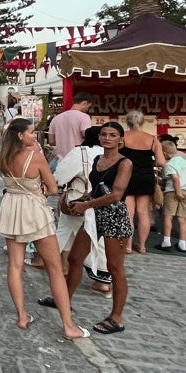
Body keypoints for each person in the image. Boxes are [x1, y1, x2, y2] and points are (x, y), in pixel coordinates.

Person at [0, 119, 90, 340]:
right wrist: (43, 188)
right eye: (30, 132)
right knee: (55, 268)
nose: (34, 135)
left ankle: (21, 315)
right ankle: (68, 325)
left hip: (11, 207)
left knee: (15, 265)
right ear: (20, 135)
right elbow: (53, 188)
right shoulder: (35, 157)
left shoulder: (4, 157)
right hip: (34, 210)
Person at [45, 121, 135, 335]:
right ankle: (64, 299)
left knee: (115, 268)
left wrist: (86, 204)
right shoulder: (98, 159)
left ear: (121, 140)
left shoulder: (125, 163)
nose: (107, 138)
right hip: (94, 216)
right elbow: (96, 190)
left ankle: (117, 317)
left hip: (113, 217)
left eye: (113, 135)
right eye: (104, 134)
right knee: (76, 258)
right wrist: (83, 200)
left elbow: (116, 194)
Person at [52, 125, 110, 296]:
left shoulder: (80, 152)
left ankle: (62, 266)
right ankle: (102, 281)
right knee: (97, 239)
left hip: (78, 200)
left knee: (65, 231)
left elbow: (60, 177)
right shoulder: (112, 155)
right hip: (103, 201)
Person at [120, 110, 166, 253]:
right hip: (146, 177)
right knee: (143, 212)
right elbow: (161, 162)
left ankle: (127, 246)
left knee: (129, 212)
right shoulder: (152, 139)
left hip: (127, 176)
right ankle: (142, 245)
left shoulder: (124, 137)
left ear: (127, 122)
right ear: (142, 122)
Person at [157, 135, 186, 252]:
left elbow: (175, 178)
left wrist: (178, 192)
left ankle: (166, 242)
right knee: (182, 219)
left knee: (168, 217)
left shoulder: (170, 164)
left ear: (164, 154)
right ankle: (182, 244)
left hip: (173, 192)